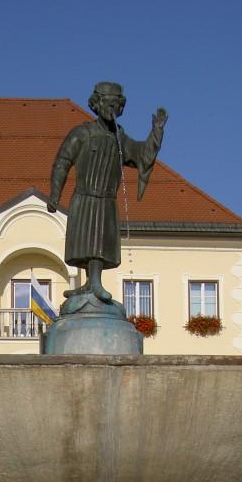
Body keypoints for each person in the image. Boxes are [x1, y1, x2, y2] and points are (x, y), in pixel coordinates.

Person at [47, 82, 167, 313]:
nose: (113, 107)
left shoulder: (119, 138)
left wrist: (157, 131)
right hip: (84, 197)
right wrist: (55, 195)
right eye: (108, 102)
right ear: (97, 104)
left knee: (100, 242)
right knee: (86, 242)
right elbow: (62, 162)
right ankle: (90, 284)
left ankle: (94, 283)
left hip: (107, 200)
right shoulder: (82, 133)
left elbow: (143, 156)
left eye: (117, 104)